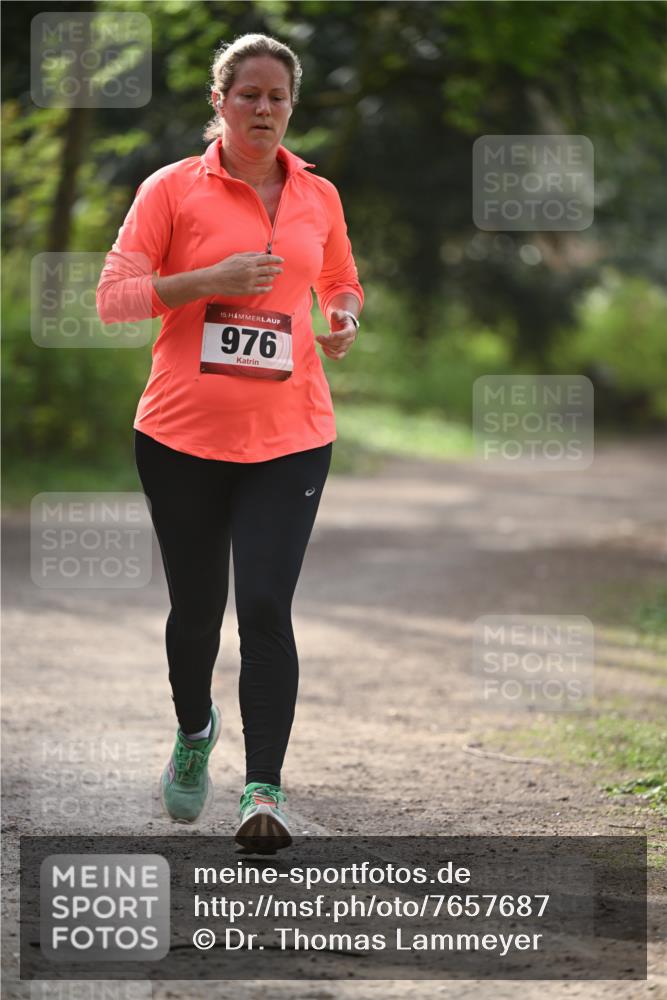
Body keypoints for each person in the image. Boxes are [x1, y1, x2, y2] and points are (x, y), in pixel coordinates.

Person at [96, 33, 363, 852]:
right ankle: (191, 728)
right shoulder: (172, 189)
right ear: (219, 102)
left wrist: (344, 314)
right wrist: (204, 282)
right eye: (246, 94)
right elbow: (113, 300)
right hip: (180, 437)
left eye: (277, 96)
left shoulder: (318, 195)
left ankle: (263, 793)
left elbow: (339, 277)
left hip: (290, 438)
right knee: (197, 614)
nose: (263, 109)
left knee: (265, 610)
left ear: (292, 105)